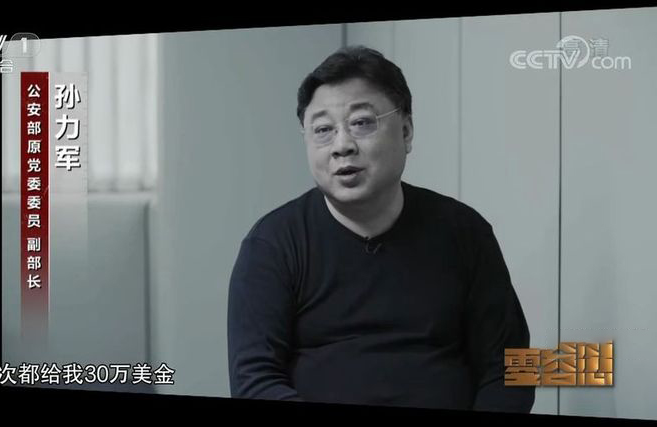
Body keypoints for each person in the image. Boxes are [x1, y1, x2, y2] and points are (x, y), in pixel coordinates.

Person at [227, 45, 534, 412]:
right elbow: (254, 381)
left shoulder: (465, 231)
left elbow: (512, 367)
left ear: (406, 131)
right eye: (323, 130)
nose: (342, 146)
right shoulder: (273, 245)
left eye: (361, 123)